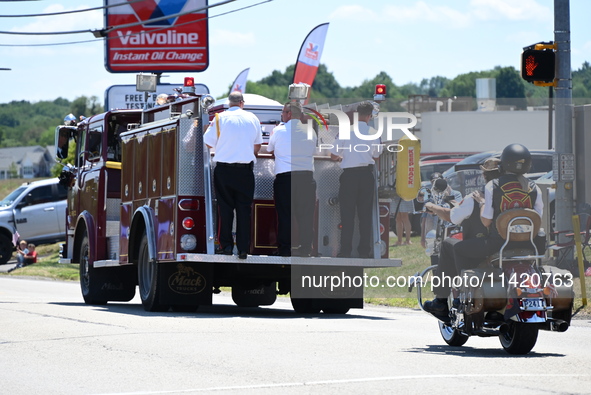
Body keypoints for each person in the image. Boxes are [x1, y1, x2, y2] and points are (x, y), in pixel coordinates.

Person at [422, 158, 502, 317]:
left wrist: (431, 206)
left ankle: (441, 300)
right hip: (514, 245)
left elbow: (451, 216)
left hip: (487, 245)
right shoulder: (516, 194)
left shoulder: (476, 197)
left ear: (484, 176)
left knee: (448, 245)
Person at [203, 91, 263, 259]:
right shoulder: (253, 118)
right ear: (242, 102)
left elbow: (207, 143)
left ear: (230, 103)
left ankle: (227, 246)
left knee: (225, 209)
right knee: (244, 210)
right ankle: (244, 249)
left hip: (224, 170)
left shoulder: (219, 118)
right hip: (245, 171)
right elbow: (257, 146)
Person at [330, 101, 380, 258]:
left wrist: (342, 158)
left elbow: (333, 155)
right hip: (366, 175)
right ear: (370, 116)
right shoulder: (374, 132)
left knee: (347, 215)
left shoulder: (346, 131)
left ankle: (345, 251)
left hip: (349, 176)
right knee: (365, 215)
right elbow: (377, 155)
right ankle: (364, 251)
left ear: (357, 114)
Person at [267, 102, 317, 256]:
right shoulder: (311, 132)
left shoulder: (278, 131)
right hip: (306, 178)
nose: (281, 115)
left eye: (283, 112)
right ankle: (306, 249)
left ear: (289, 114)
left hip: (285, 178)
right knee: (306, 216)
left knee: (285, 215)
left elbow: (270, 150)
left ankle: (285, 249)